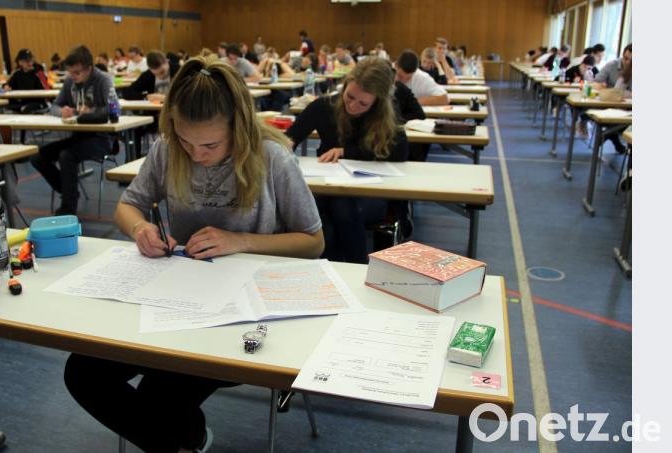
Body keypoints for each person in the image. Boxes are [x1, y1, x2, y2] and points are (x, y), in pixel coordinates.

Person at [64, 56, 323, 453]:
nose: (195, 153)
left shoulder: (272, 158)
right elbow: (127, 206)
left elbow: (312, 241)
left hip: (241, 316)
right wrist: (140, 228)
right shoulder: (169, 150)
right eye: (186, 140)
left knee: (158, 397)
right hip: (175, 300)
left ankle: (183, 439)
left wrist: (241, 241)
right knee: (83, 373)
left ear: (239, 126)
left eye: (210, 144)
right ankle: (186, 438)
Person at [286, 58, 409, 263]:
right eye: (349, 96)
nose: (353, 106)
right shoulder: (324, 107)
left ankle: (352, 267)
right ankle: (342, 271)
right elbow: (290, 138)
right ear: (344, 86)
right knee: (323, 214)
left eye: (363, 103)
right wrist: (284, 149)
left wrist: (347, 151)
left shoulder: (386, 118)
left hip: (371, 193)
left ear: (377, 102)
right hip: (329, 188)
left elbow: (400, 154)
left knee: (338, 209)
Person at [31, 46, 114, 215]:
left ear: (89, 68)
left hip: (102, 138)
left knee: (66, 155)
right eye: (70, 72)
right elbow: (53, 106)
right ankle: (69, 190)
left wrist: (89, 113)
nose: (73, 77)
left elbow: (111, 110)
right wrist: (61, 112)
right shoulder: (70, 82)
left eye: (77, 73)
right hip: (77, 137)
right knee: (38, 157)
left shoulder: (103, 80)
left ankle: (68, 207)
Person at [3, 48, 51, 113]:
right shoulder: (17, 74)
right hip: (21, 103)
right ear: (20, 62)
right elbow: (7, 84)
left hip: (38, 103)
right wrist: (6, 86)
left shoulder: (39, 73)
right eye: (26, 61)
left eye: (31, 60)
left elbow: (47, 91)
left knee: (26, 109)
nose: (30, 63)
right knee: (1, 109)